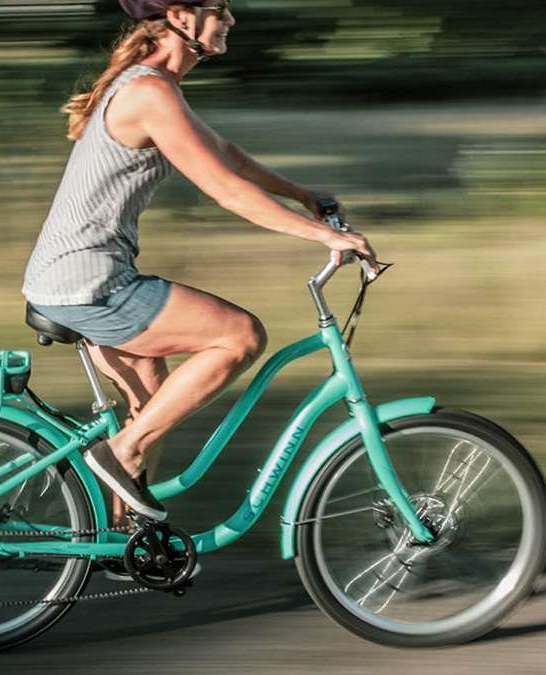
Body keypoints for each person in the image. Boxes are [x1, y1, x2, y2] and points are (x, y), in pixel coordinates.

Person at [22, 0, 379, 525]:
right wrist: (321, 234)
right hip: (89, 283)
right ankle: (119, 454)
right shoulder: (148, 92)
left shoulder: (156, 88)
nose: (230, 19)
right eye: (220, 9)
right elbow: (224, 188)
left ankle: (123, 541)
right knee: (239, 335)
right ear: (181, 18)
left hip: (79, 277)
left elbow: (225, 153)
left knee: (150, 414)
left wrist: (302, 195)